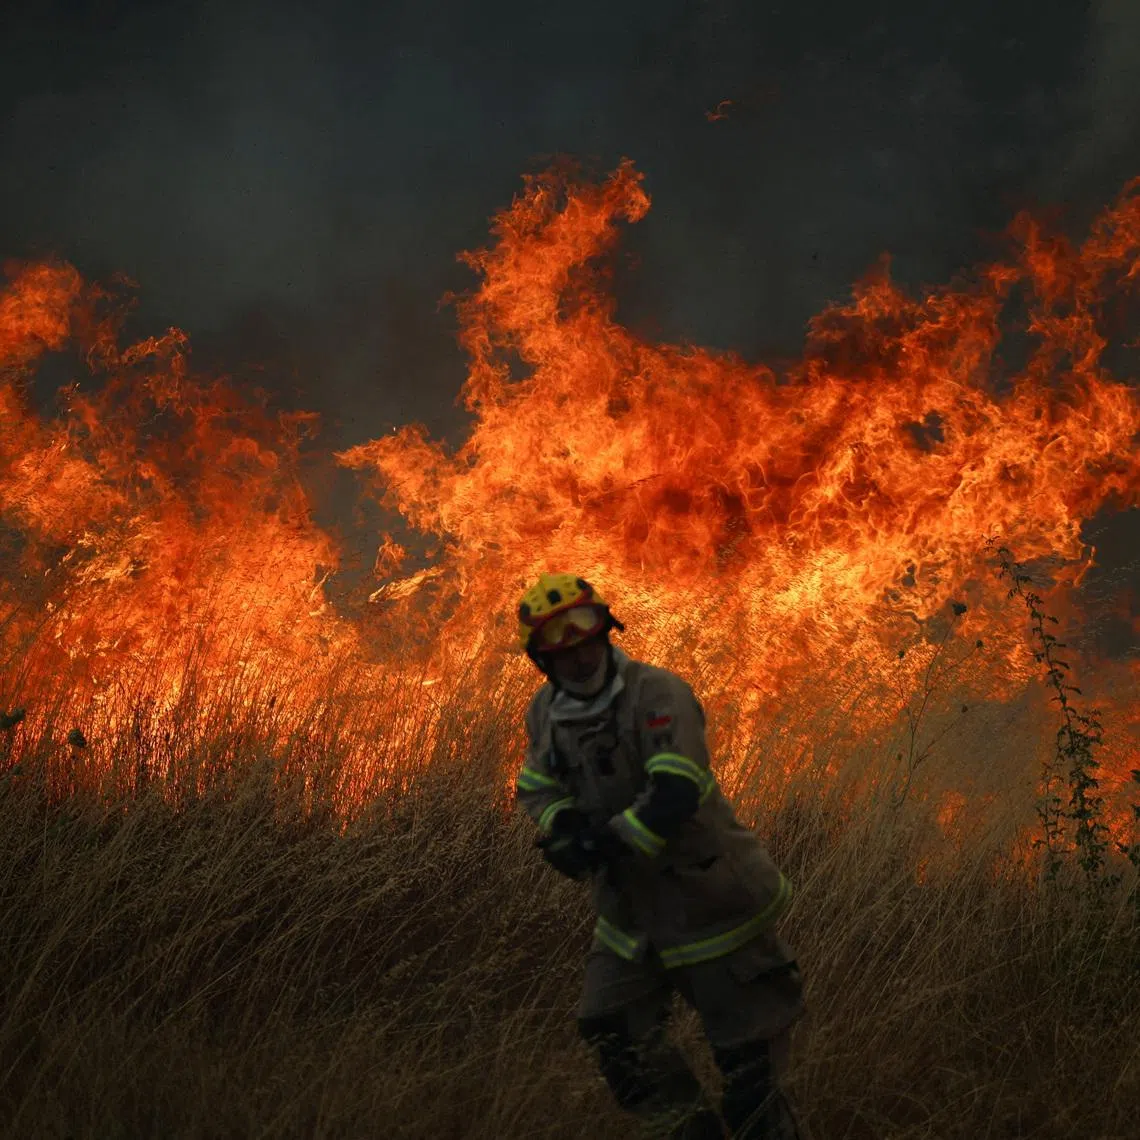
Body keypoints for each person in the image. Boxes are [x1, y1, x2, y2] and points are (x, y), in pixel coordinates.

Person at [515, 573, 806, 1140]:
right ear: (541, 659)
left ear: (606, 628)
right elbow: (536, 783)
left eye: (586, 635)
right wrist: (563, 824)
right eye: (561, 646)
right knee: (614, 1037)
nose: (578, 656)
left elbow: (676, 790)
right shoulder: (546, 713)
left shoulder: (658, 694)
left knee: (750, 1087)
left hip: (714, 907)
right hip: (631, 922)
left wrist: (605, 842)